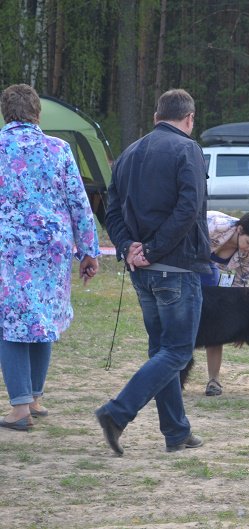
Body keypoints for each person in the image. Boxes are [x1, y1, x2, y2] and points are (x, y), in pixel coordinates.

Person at [97, 88, 210, 455]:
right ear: (189, 119)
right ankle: (117, 413)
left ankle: (176, 432)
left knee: (162, 352)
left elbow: (110, 208)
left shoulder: (128, 152)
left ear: (156, 117)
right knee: (176, 352)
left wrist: (129, 246)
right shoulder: (187, 149)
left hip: (143, 270)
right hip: (174, 267)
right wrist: (151, 249)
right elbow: (190, 207)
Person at [0, 84, 100, 432]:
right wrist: (89, 250)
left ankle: (20, 409)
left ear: (5, 112)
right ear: (37, 113)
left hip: (8, 250)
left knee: (12, 324)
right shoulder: (59, 149)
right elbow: (79, 202)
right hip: (51, 249)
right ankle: (35, 398)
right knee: (42, 319)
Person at [202, 210, 249, 396]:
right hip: (186, 262)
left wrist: (237, 325)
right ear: (240, 229)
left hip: (210, 270)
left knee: (214, 322)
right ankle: (173, 377)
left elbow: (240, 287)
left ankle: (214, 380)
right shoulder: (214, 226)